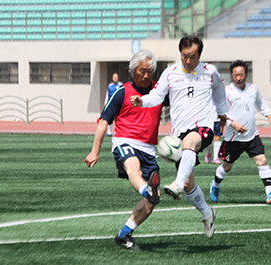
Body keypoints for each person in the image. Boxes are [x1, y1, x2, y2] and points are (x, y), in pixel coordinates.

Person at [131, 35, 228, 239]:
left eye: (192, 57)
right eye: (184, 56)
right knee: (188, 184)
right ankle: (207, 213)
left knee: (190, 143)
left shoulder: (210, 72)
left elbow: (220, 96)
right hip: (179, 133)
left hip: (203, 127)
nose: (188, 61)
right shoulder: (170, 73)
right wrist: (142, 100)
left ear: (199, 55)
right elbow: (156, 96)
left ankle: (175, 184)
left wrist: (224, 116)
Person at [85, 49, 165, 249]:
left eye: (150, 71)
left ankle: (124, 234)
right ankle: (147, 190)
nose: (146, 75)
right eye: (142, 70)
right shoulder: (122, 92)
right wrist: (95, 151)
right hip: (125, 141)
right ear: (132, 71)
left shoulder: (159, 91)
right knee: (133, 167)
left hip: (149, 148)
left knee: (152, 202)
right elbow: (104, 122)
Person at [209, 60, 271, 204]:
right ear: (232, 75)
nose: (238, 78)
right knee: (227, 166)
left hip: (252, 136)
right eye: (235, 75)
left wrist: (269, 115)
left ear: (246, 75)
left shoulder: (252, 89)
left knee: (262, 160)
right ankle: (215, 184)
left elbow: (260, 103)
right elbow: (220, 113)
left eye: (241, 75)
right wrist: (234, 124)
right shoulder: (227, 92)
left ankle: (269, 193)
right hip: (233, 138)